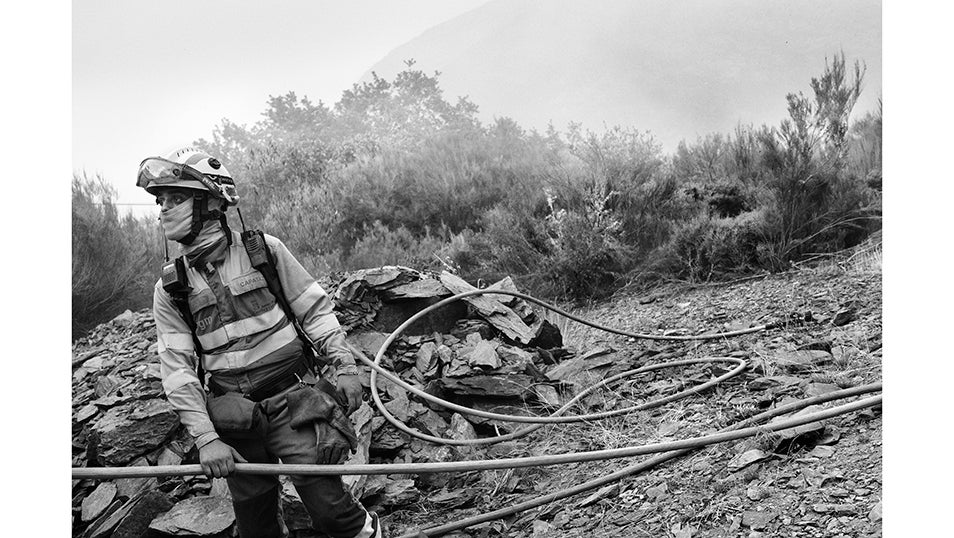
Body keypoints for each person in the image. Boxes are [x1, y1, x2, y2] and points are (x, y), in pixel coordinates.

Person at [138, 146, 382, 538]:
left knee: (332, 512)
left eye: (176, 198)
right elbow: (178, 371)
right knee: (255, 526)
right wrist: (207, 439)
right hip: (233, 415)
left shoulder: (264, 251)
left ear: (211, 202)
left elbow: (314, 311)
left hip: (295, 402)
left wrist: (345, 367)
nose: (164, 209)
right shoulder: (170, 289)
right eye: (161, 201)